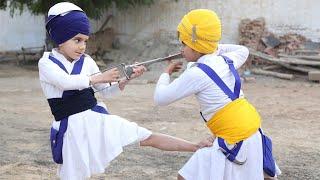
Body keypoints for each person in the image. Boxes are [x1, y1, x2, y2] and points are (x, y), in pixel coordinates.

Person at [38, 3, 213, 179]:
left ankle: (195, 146)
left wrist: (126, 79)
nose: (82, 46)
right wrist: (99, 77)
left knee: (145, 136)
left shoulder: (87, 61)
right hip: (71, 131)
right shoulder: (46, 63)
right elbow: (64, 82)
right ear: (60, 37)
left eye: (85, 40)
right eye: (77, 40)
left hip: (97, 121)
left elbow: (106, 92)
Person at [153, 9, 281, 180]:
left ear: (196, 45)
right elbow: (243, 50)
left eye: (184, 44)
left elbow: (161, 98)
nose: (181, 49)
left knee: (185, 177)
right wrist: (212, 47)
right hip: (252, 130)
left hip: (235, 137)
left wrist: (166, 73)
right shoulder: (223, 60)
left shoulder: (196, 74)